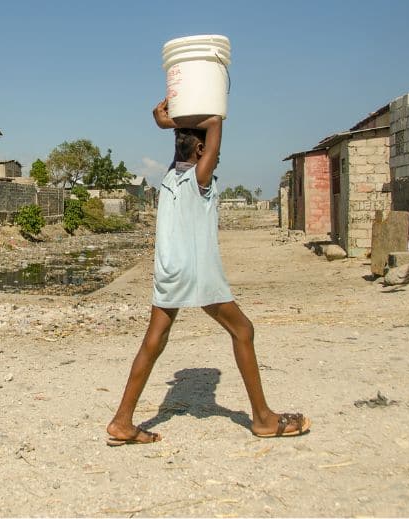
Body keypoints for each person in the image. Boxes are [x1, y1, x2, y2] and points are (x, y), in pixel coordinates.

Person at [104, 98, 310, 446]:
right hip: (197, 272)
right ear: (202, 150)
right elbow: (215, 121)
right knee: (243, 330)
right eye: (211, 152)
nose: (215, 158)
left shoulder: (170, 178)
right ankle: (262, 418)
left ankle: (122, 421)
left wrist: (166, 124)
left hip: (169, 271)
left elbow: (190, 144)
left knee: (154, 341)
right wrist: (173, 125)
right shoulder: (199, 178)